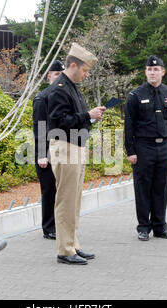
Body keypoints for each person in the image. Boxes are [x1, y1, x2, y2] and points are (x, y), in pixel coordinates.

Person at [47, 43, 106, 265]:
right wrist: (86, 115)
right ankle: (65, 250)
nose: (86, 74)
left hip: (75, 146)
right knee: (66, 200)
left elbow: (74, 118)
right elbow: (59, 122)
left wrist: (89, 117)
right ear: (73, 65)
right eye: (85, 70)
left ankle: (72, 244)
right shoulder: (60, 88)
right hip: (65, 147)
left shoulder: (70, 86)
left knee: (74, 200)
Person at [124, 55, 167, 241]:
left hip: (163, 146)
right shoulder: (135, 95)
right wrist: (130, 151)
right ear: (145, 72)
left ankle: (160, 226)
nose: (152, 72)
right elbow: (129, 125)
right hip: (143, 147)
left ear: (163, 72)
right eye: (149, 69)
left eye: (156, 70)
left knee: (161, 187)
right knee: (143, 187)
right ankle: (143, 227)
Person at [33, 60, 65, 240]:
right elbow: (40, 128)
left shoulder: (64, 96)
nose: (59, 78)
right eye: (56, 74)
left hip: (63, 150)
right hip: (48, 152)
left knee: (62, 190)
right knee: (49, 190)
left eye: (62, 74)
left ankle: (59, 224)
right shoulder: (43, 98)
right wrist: (41, 155)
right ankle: (49, 227)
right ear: (49, 76)